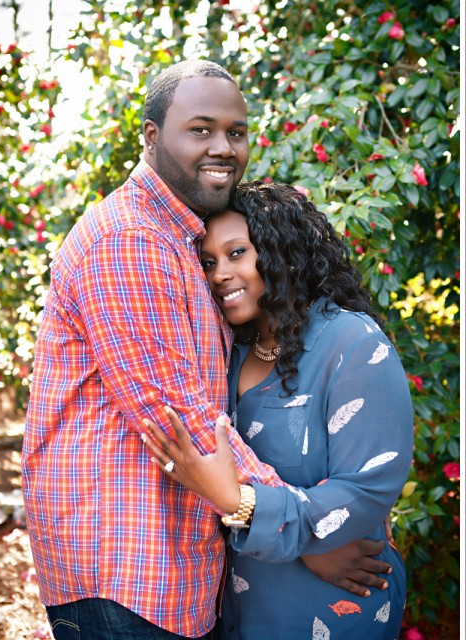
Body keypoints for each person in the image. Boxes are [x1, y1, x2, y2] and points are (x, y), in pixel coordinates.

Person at [22, 60, 397, 640]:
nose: (223, 146)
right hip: (126, 570)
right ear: (152, 136)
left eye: (236, 132)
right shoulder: (130, 240)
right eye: (200, 129)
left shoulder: (185, 238)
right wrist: (310, 535)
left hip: (179, 567)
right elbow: (176, 415)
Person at [142, 180, 414, 640]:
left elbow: (368, 487)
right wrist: (303, 543)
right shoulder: (228, 355)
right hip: (240, 607)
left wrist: (254, 510)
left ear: (281, 252)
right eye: (208, 262)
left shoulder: (351, 343)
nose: (219, 274)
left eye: (236, 253)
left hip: (336, 599)